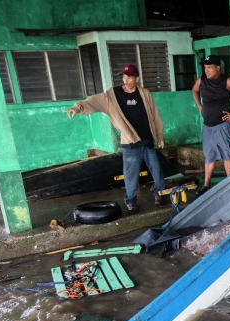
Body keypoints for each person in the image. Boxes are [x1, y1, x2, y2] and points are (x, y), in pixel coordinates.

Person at [64, 65, 165, 212]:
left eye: (130, 77)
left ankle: (159, 194)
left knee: (157, 170)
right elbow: (93, 101)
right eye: (124, 76)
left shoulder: (144, 94)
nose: (126, 80)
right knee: (130, 175)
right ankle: (130, 200)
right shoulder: (112, 96)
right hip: (130, 144)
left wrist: (159, 135)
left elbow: (155, 115)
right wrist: (77, 107)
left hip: (148, 140)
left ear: (137, 78)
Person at [191, 55, 230, 195]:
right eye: (205, 68)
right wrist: (199, 104)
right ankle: (206, 185)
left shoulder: (227, 81)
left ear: (218, 68)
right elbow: (194, 90)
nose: (207, 71)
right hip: (207, 126)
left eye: (210, 67)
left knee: (226, 154)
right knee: (209, 155)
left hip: (222, 125)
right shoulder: (201, 80)